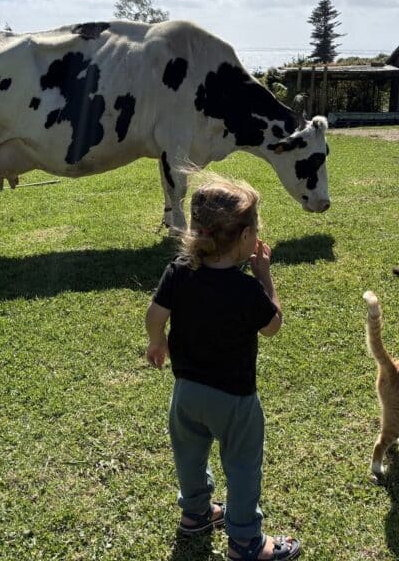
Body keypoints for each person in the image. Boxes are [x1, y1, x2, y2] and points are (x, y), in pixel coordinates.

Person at [144, 175, 301, 561]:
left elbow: (154, 314)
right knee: (243, 465)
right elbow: (273, 326)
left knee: (190, 456)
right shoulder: (247, 290)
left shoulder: (180, 269)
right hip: (234, 400)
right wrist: (265, 276)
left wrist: (157, 341)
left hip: (186, 394)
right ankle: (246, 541)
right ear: (246, 236)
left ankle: (196, 514)